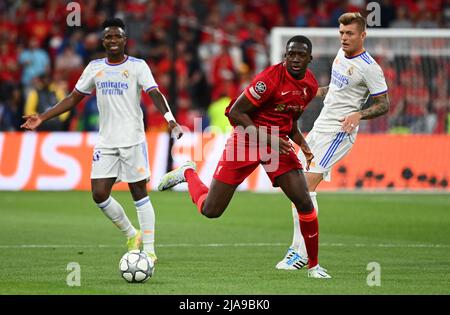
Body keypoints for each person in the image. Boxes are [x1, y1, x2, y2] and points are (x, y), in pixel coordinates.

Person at [158, 35, 331, 279]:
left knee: (305, 201)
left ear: (309, 59)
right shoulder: (269, 79)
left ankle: (314, 266)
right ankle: (188, 172)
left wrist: (302, 144)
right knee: (211, 210)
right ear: (285, 56)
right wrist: (268, 138)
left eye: (300, 55)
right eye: (290, 54)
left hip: (276, 145)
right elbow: (235, 113)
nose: (294, 59)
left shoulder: (310, 86)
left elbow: (290, 121)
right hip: (248, 140)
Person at [21, 18, 183, 263]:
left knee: (138, 193)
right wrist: (42, 117)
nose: (113, 40)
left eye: (117, 36)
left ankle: (149, 250)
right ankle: (132, 234)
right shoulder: (95, 67)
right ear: (103, 41)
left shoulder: (138, 66)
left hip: (132, 140)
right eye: (108, 37)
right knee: (99, 194)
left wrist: (170, 119)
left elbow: (155, 93)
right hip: (106, 142)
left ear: (125, 40)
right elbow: (74, 98)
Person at [276, 12, 390, 270]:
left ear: (363, 34)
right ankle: (297, 249)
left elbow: (384, 104)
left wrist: (359, 114)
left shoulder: (369, 68)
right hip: (320, 127)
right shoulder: (340, 55)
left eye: (349, 33)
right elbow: (336, 91)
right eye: (341, 33)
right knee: (296, 190)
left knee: (304, 188)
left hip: (339, 134)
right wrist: (311, 93)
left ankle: (302, 254)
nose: (344, 38)